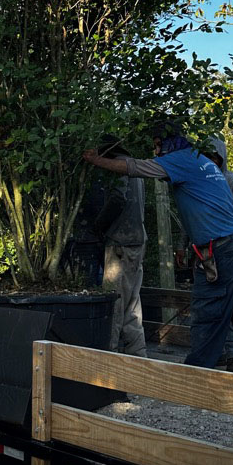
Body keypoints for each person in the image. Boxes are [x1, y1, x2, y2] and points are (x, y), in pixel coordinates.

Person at [83, 119, 233, 378]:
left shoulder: (180, 159)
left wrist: (96, 160)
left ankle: (194, 377)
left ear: (168, 143)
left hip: (220, 249)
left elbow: (135, 167)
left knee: (208, 311)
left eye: (156, 146)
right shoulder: (200, 160)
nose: (155, 152)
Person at [89, 134, 148, 357]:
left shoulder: (119, 169)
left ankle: (110, 355)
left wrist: (99, 226)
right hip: (137, 239)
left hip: (121, 241)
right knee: (132, 301)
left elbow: (117, 198)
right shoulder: (134, 168)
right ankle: (137, 354)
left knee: (114, 300)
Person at [202, 135, 233, 373]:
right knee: (209, 303)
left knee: (229, 301)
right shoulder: (199, 182)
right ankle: (216, 353)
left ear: (221, 158)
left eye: (214, 156)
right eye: (206, 156)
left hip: (228, 249)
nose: (210, 160)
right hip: (203, 251)